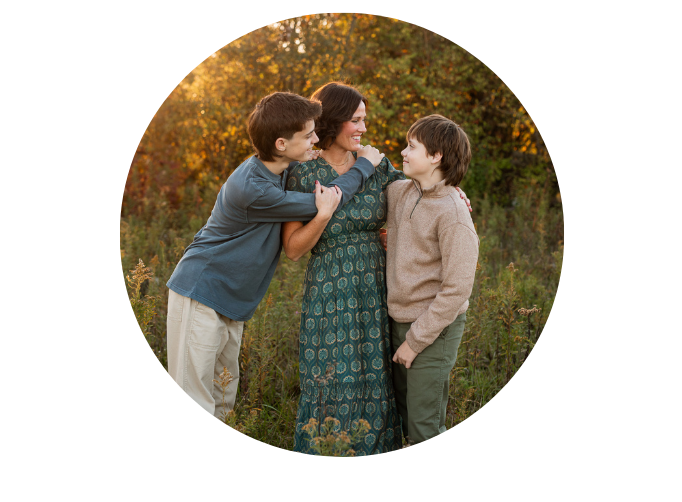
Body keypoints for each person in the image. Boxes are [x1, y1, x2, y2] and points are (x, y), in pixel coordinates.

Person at [165, 91, 383, 422]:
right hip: (203, 291)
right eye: (309, 134)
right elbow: (327, 200)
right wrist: (366, 165)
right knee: (194, 399)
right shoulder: (253, 188)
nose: (316, 138)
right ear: (281, 144)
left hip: (232, 302)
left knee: (223, 398)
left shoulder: (281, 168)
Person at [281, 83, 470, 456]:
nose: (363, 128)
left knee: (376, 382)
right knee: (330, 381)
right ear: (333, 121)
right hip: (330, 290)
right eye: (356, 120)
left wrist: (458, 195)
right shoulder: (303, 173)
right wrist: (323, 216)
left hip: (377, 290)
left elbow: (424, 193)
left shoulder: (379, 167)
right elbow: (292, 249)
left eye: (364, 119)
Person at [385, 114, 479, 450]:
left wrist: (415, 341)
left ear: (436, 156)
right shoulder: (401, 192)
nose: (404, 152)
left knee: (424, 426)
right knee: (404, 412)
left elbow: (456, 290)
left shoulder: (453, 214)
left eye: (412, 146)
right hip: (398, 319)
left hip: (434, 328)